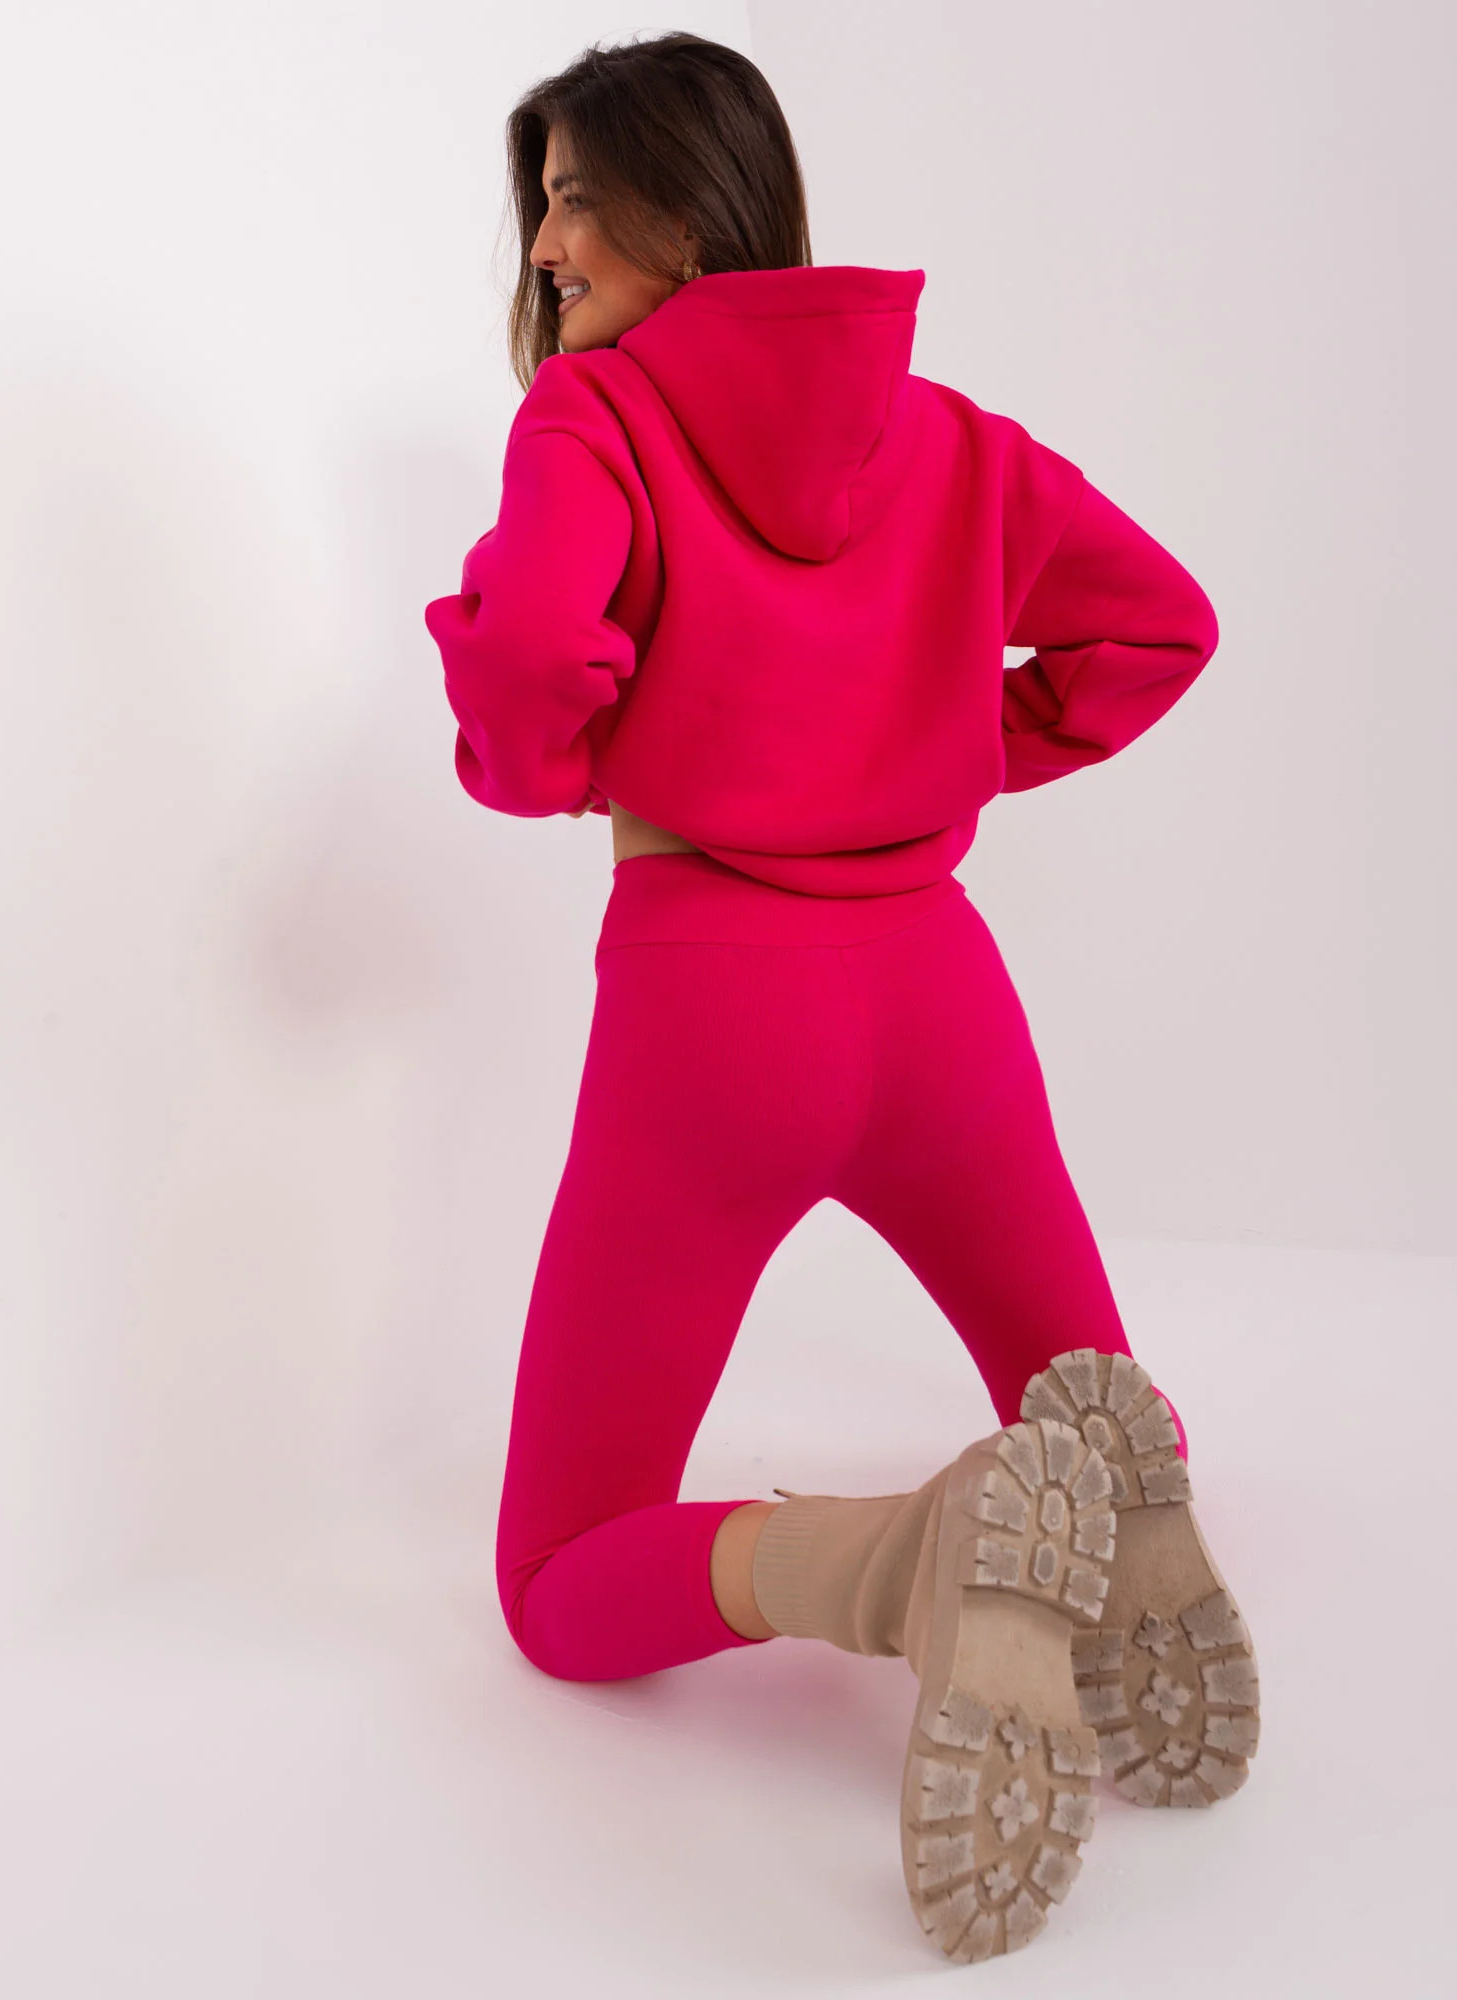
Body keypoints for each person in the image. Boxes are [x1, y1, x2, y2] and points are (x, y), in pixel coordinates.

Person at [423, 30, 1259, 1966]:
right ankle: (1130, 1529)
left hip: (713, 1009)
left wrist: (545, 756)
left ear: (685, 201)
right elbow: (1162, 625)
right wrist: (947, 748)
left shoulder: (596, 415)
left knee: (558, 1580)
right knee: (1092, 1407)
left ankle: (903, 1561)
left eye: (573, 198)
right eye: (540, 204)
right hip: (941, 997)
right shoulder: (946, 433)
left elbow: (534, 664)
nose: (545, 247)